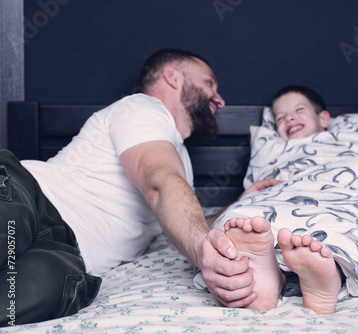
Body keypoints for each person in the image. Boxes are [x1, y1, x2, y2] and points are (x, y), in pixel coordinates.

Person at [0, 48, 258, 327]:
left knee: (35, 294)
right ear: (172, 76)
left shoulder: (179, 164)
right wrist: (202, 252)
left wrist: (238, 203)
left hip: (66, 255)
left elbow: (181, 216)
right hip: (30, 197)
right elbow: (159, 185)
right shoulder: (142, 108)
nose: (219, 99)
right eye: (209, 83)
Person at [202, 85, 345, 315]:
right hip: (280, 194)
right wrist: (245, 198)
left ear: (324, 118)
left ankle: (329, 277)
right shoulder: (275, 152)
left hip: (334, 194)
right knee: (246, 216)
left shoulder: (348, 143)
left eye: (299, 110)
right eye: (280, 117)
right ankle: (268, 273)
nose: (289, 118)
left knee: (340, 225)